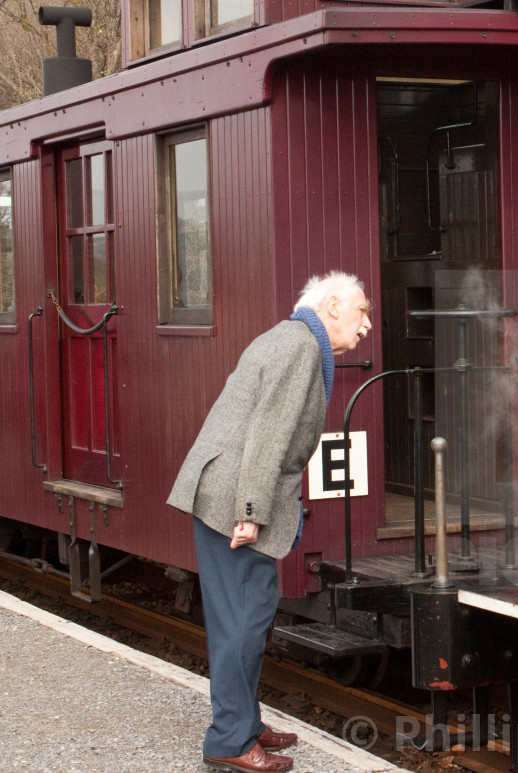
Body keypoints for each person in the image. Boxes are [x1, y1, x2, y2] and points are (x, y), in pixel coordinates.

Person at [168, 272, 372, 773]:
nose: (366, 325)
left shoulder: (291, 338)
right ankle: (229, 740)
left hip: (225, 488)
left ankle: (243, 723)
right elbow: (267, 435)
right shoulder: (300, 347)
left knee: (243, 615)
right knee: (245, 617)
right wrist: (251, 513)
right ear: (331, 305)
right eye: (362, 311)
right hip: (233, 497)